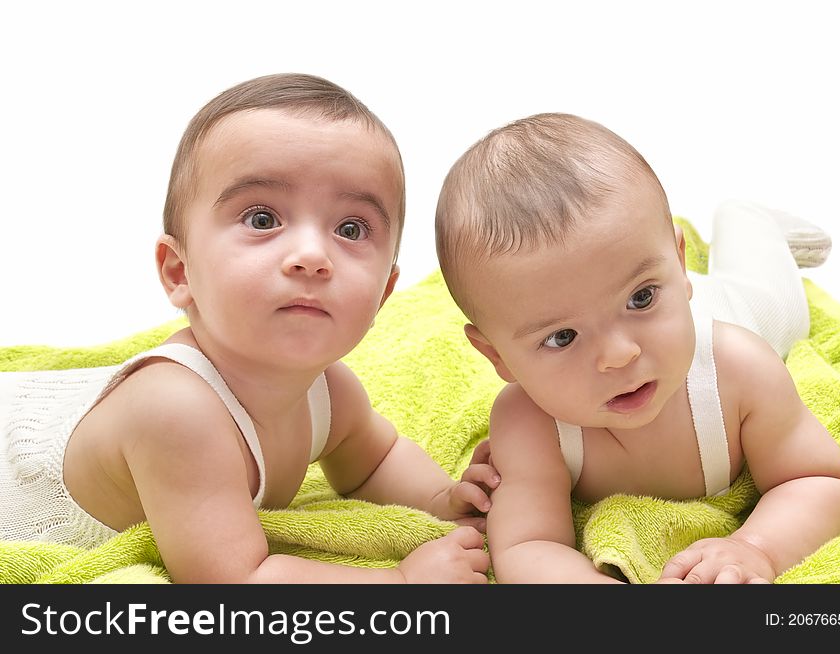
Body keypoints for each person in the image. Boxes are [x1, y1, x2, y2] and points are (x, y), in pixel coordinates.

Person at [0, 73, 497, 584]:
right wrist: (402, 582)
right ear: (180, 272)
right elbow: (235, 582)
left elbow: (375, 461)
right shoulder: (178, 412)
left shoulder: (330, 389)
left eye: (350, 228)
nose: (311, 256)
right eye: (262, 219)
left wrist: (445, 499)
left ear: (383, 295)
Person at [434, 112, 840, 584]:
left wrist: (754, 549)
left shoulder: (740, 370)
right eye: (561, 337)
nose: (619, 354)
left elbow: (819, 480)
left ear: (678, 267)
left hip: (732, 312)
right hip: (670, 316)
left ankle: (745, 220)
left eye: (641, 297)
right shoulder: (528, 423)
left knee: (777, 299)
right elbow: (529, 545)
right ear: (497, 357)